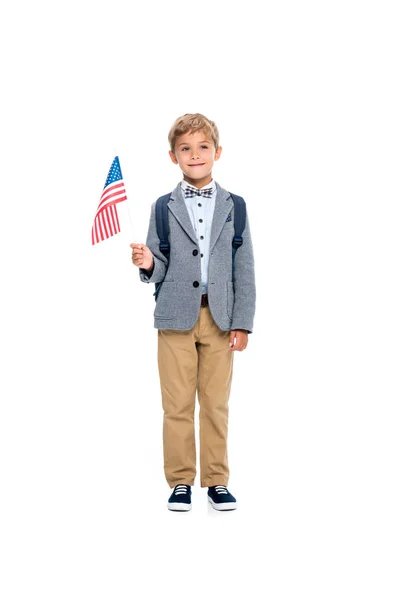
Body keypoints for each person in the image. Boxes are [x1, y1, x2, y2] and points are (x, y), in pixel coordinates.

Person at [130, 113, 256, 511]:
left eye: (203, 147)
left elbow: (244, 268)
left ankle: (216, 479)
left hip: (220, 318)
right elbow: (160, 268)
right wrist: (149, 261)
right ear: (173, 157)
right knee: (177, 404)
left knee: (216, 403)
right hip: (174, 317)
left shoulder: (235, 205)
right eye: (186, 148)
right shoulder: (161, 208)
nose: (195, 154)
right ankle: (181, 480)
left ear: (217, 152)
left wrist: (243, 322)